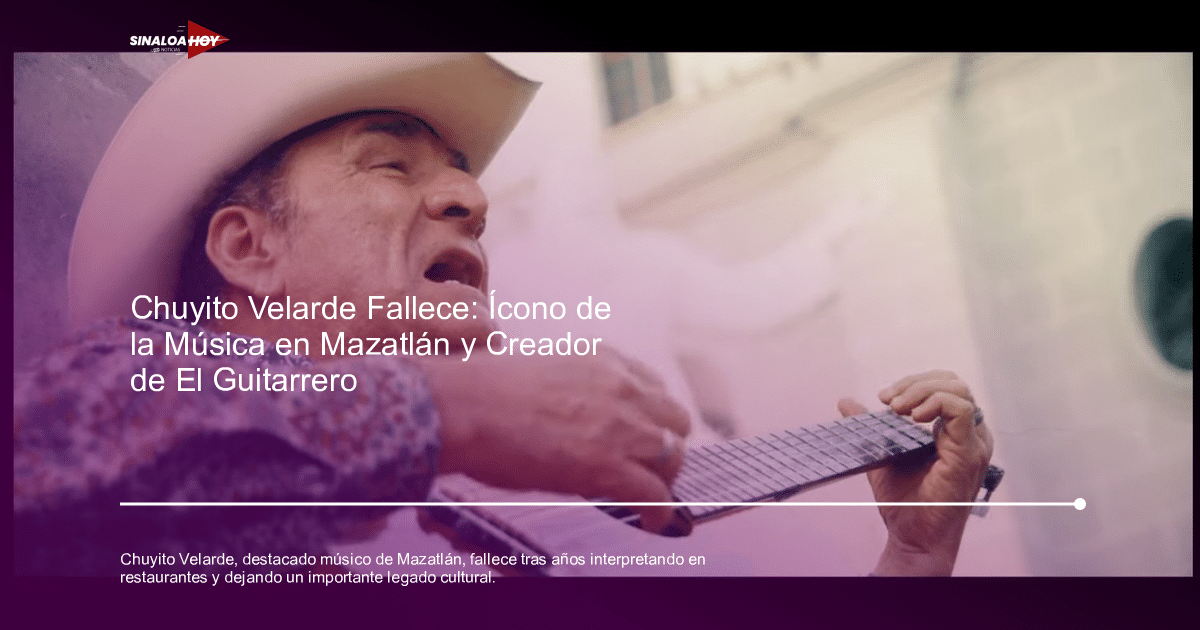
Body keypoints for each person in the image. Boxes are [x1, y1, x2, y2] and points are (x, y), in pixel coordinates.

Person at [13, 53, 993, 577]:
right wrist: (453, 410)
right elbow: (40, 455)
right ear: (246, 248)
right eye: (389, 164)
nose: (470, 199)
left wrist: (916, 557)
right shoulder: (126, 400)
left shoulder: (494, 527)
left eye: (460, 174)